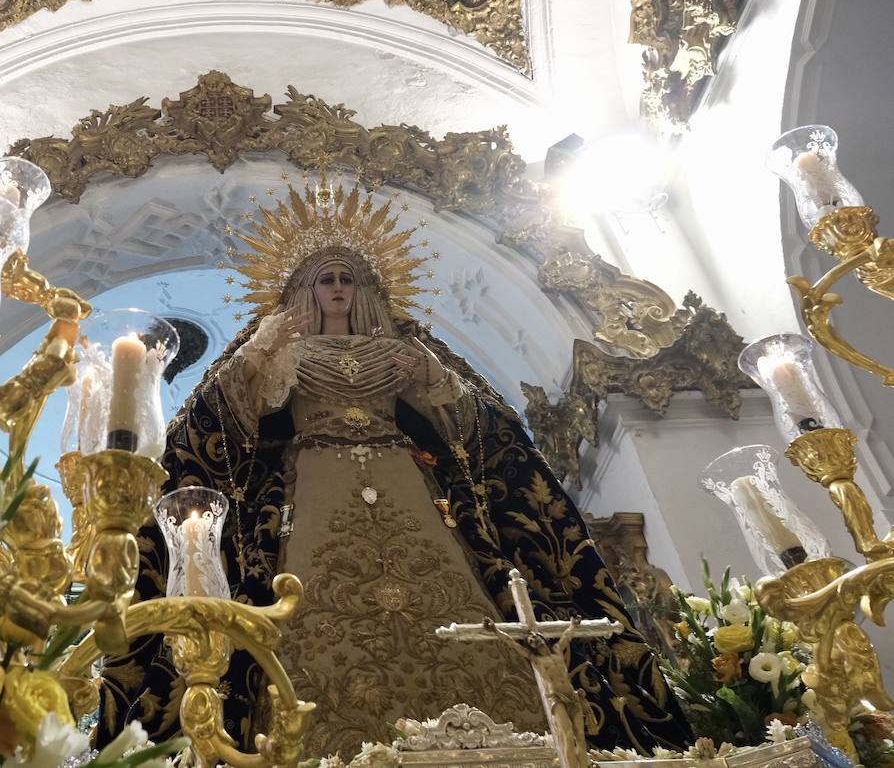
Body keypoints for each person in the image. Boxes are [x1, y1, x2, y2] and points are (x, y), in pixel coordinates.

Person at [96, 182, 692, 759]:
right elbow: (227, 422)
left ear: (364, 289)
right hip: (316, 482)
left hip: (404, 476)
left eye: (346, 278)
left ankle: (506, 738)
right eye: (324, 279)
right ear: (305, 289)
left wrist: (433, 380)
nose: (337, 288)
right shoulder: (281, 351)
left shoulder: (406, 347)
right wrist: (259, 355)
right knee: (317, 601)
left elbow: (474, 431)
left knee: (452, 591)